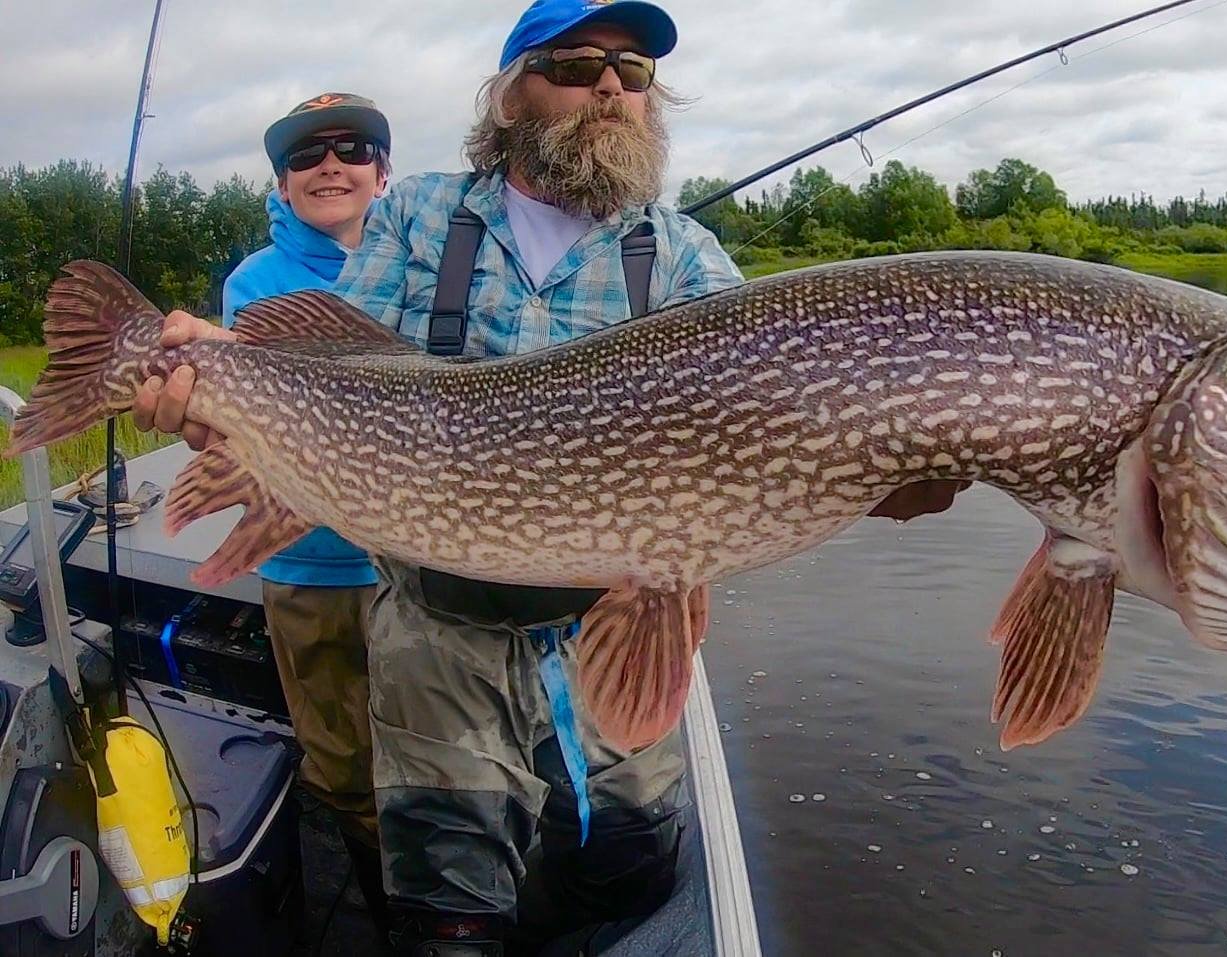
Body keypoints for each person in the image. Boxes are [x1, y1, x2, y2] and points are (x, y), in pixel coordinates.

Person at [132, 1, 965, 953]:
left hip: (623, 626)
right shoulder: (419, 213)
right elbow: (329, 377)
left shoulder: (685, 255)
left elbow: (789, 414)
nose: (610, 84)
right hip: (440, 637)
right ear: (511, 95)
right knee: (449, 913)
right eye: (574, 64)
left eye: (634, 70)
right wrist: (226, 409)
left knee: (625, 877)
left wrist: (892, 465)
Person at [219, 91, 395, 935]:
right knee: (343, 756)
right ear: (284, 185)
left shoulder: (418, 269)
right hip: (308, 561)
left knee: (420, 743)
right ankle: (379, 901)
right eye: (305, 155)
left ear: (382, 173)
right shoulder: (258, 282)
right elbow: (245, 429)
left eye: (353, 147)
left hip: (409, 561)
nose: (331, 164)